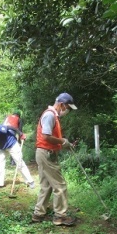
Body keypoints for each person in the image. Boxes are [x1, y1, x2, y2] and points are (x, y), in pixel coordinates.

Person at [32, 92, 77, 226]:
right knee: (60, 185)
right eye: (68, 107)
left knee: (46, 186)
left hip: (44, 153)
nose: (67, 110)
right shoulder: (50, 115)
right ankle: (60, 216)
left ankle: (38, 214)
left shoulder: (53, 116)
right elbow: (46, 136)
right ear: (62, 104)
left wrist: (64, 144)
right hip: (46, 154)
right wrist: (63, 142)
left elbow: (50, 138)